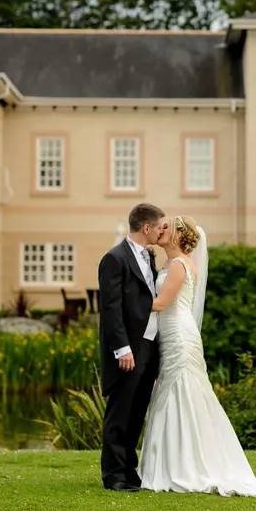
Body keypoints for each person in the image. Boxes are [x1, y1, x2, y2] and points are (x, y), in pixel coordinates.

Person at [139, 215, 256, 497]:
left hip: (180, 334)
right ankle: (172, 462)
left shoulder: (179, 265)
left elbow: (161, 303)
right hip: (171, 335)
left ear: (179, 235)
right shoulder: (169, 264)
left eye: (167, 227)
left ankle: (187, 465)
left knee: (183, 392)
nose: (161, 229)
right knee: (173, 391)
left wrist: (124, 301)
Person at [98, 203, 169, 492]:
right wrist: (122, 349)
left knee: (136, 412)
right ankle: (113, 476)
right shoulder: (114, 258)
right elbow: (111, 308)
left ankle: (128, 471)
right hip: (128, 349)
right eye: (160, 226)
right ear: (146, 228)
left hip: (148, 346)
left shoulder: (148, 256)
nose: (163, 231)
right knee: (120, 412)